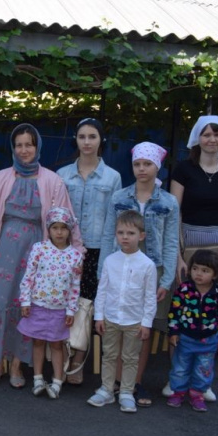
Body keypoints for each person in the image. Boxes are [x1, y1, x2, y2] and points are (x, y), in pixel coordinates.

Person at [0, 123, 81, 389]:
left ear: (37, 146)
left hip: (39, 250)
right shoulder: (0, 178)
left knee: (27, 306)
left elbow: (66, 218)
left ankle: (18, 364)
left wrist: (75, 251)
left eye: (29, 144)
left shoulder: (53, 181)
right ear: (13, 148)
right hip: (3, 247)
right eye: (19, 145)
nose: (24, 150)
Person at [168, 115, 218, 399]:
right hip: (188, 242)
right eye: (206, 134)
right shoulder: (183, 170)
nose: (212, 139)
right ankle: (176, 378)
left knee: (212, 314)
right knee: (184, 310)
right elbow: (174, 213)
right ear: (197, 138)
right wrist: (177, 255)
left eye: (217, 134)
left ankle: (202, 381)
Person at [98, 142, 179, 407]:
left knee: (142, 328)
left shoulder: (168, 202)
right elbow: (108, 233)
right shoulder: (120, 197)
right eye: (137, 164)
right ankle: (114, 384)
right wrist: (102, 272)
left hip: (152, 271)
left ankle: (135, 384)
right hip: (120, 269)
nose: (142, 169)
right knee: (117, 323)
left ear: (158, 167)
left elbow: (170, 243)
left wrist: (166, 280)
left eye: (147, 164)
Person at [56, 118, 122, 384]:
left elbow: (114, 219)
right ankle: (60, 356)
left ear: (100, 140)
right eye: (82, 136)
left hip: (97, 249)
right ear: (76, 140)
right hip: (64, 249)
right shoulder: (62, 175)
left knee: (85, 306)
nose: (86, 142)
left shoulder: (112, 177)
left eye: (92, 136)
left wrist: (108, 255)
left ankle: (77, 360)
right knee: (61, 303)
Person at [88, 211, 157, 413]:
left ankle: (126, 391)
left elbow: (150, 297)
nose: (125, 237)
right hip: (110, 318)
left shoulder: (147, 265)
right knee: (108, 354)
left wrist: (146, 323)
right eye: (120, 232)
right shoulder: (110, 260)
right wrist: (99, 316)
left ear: (141, 236)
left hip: (134, 321)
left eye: (130, 233)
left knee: (130, 357)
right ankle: (107, 389)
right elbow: (102, 290)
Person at [17, 207, 83, 399]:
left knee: (56, 345)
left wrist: (71, 311)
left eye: (64, 227)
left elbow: (75, 286)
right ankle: (38, 378)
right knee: (37, 342)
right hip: (37, 305)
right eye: (55, 227)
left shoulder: (75, 255)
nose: (59, 232)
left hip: (59, 310)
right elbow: (28, 276)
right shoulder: (39, 249)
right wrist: (25, 301)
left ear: (70, 230)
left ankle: (57, 380)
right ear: (49, 229)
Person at [166, 249, 218, 412]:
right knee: (180, 367)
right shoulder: (183, 290)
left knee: (203, 369)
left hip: (208, 341)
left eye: (205, 271)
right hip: (185, 338)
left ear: (215, 274)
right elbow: (174, 312)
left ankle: (197, 395)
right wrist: (173, 332)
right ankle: (178, 392)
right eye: (195, 269)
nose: (198, 274)